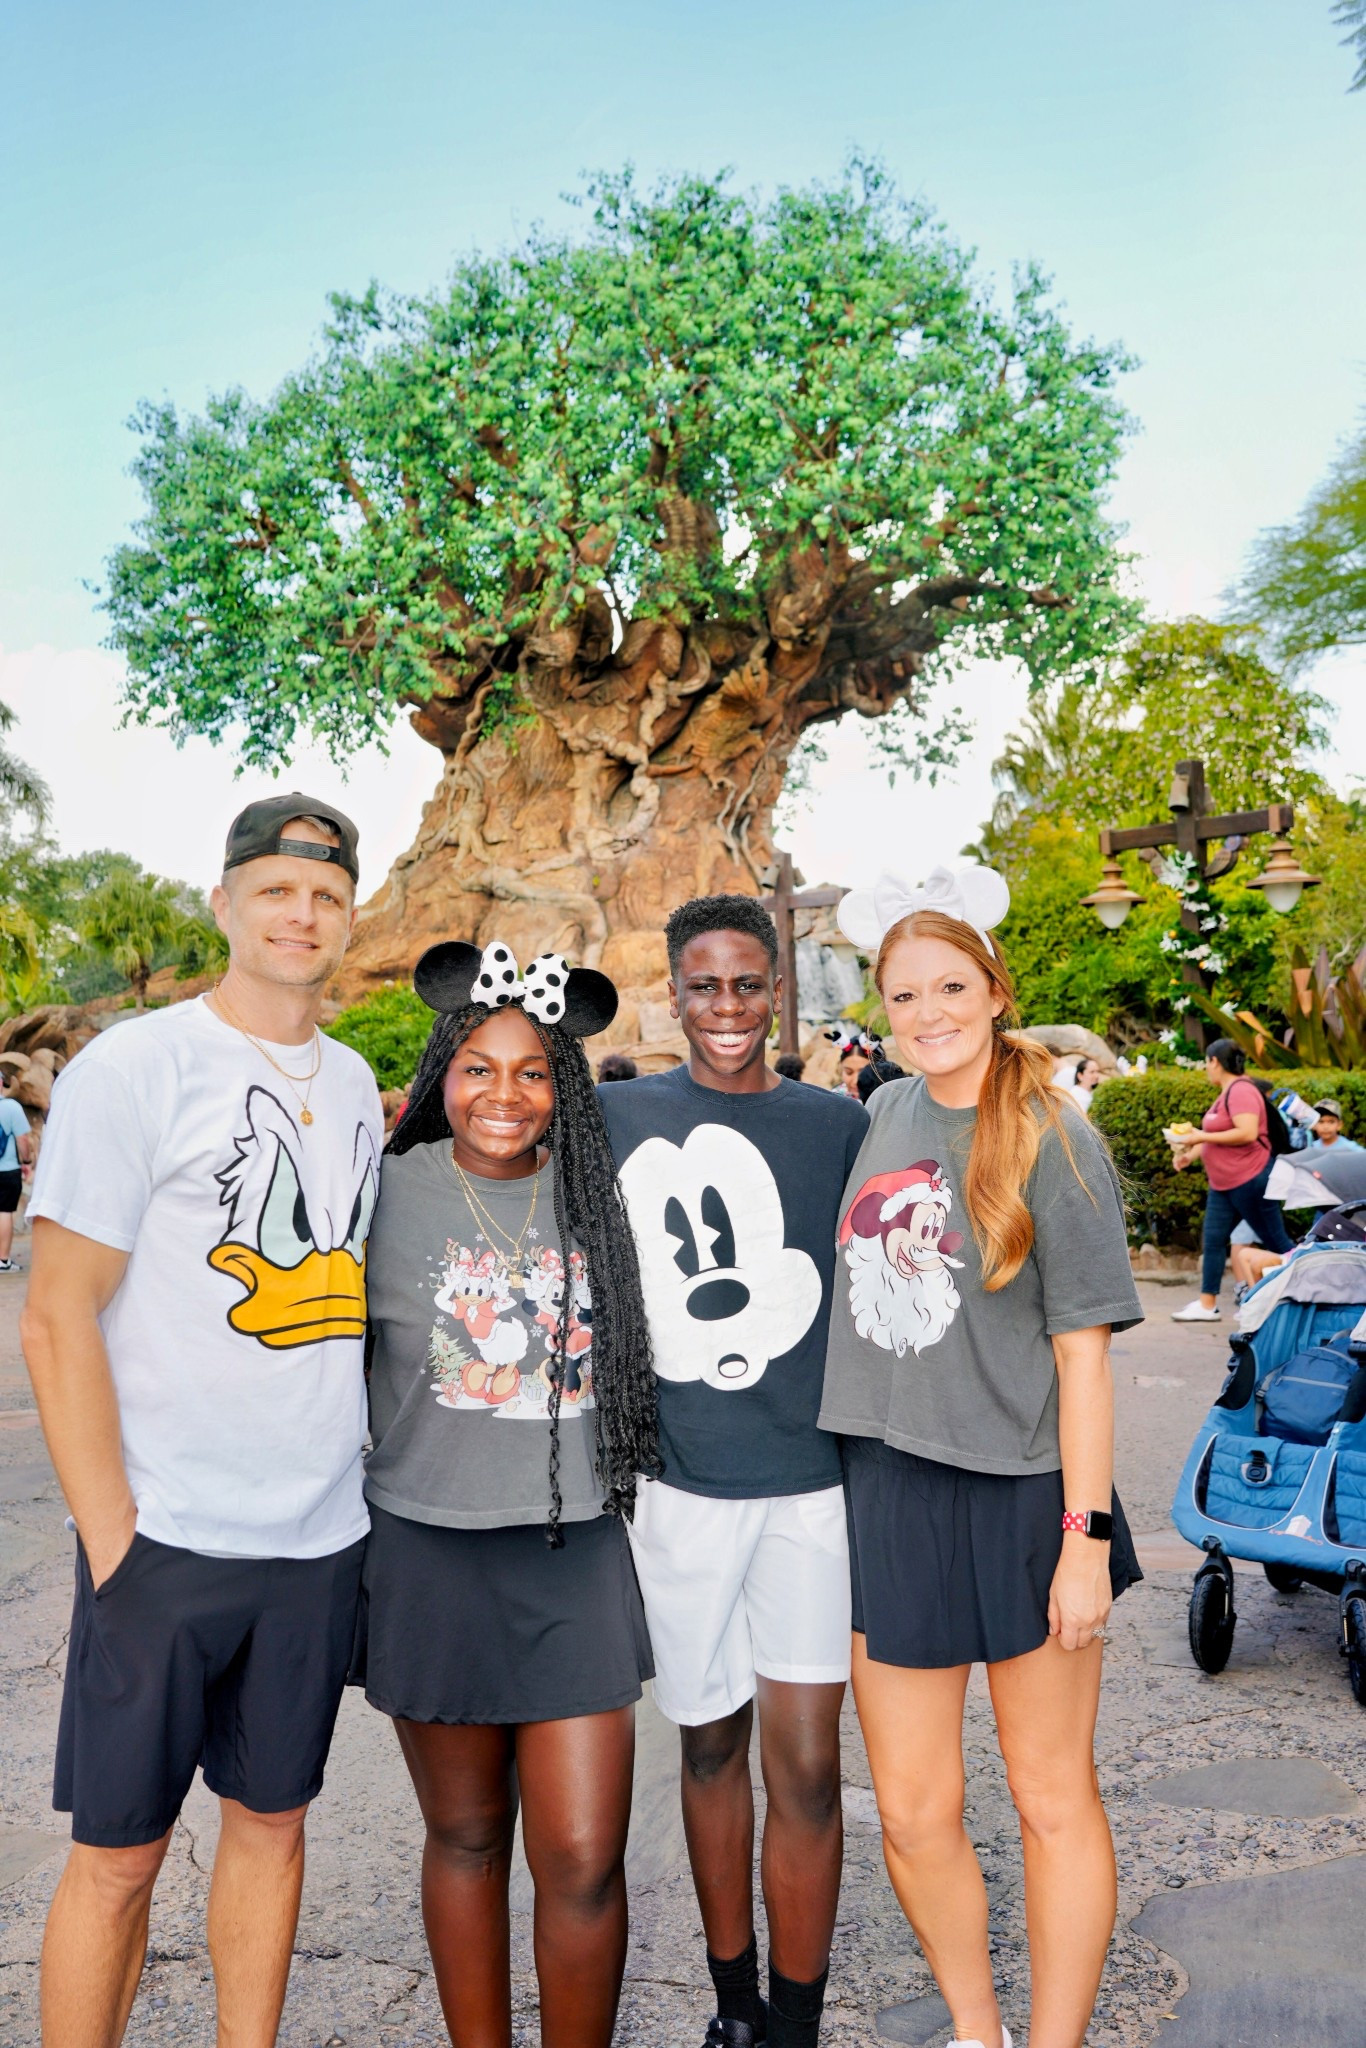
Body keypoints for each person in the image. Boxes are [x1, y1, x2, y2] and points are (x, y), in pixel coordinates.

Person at [21, 795, 383, 2048]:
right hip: (164, 1536)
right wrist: (114, 1535)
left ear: (349, 918)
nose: (302, 912)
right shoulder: (140, 1063)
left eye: (326, 895)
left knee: (274, 1824)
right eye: (277, 889)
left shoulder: (348, 1082)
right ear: (224, 902)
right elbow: (58, 1311)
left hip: (317, 1538)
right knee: (120, 1856)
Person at [820, 863, 1143, 2048]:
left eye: (949, 985)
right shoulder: (881, 1116)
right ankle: (979, 2028)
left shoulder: (1056, 1136)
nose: (927, 1013)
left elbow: (1085, 1360)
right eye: (903, 995)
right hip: (892, 1488)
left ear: (996, 988)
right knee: (911, 1808)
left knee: (1050, 1797)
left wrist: (1085, 1540)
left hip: (1025, 1499)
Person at [357, 938, 660, 2048]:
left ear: (563, 1085)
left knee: (582, 1850)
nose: (503, 1093)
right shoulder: (384, 1193)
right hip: (428, 1552)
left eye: (531, 1070)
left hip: (572, 1549)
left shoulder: (596, 1191)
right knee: (469, 1835)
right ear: (443, 1071)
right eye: (477, 1066)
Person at [598, 896, 867, 2048]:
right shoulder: (610, 1115)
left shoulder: (835, 1127)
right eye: (702, 984)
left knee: (805, 1761)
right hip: (677, 1487)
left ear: (774, 991)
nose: (725, 1007)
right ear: (671, 989)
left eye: (747, 983)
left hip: (812, 1486)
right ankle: (735, 2005)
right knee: (707, 1743)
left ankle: (796, 2024)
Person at [1169, 1038, 1293, 1323]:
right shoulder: (1226, 1092)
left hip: (1250, 1179)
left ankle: (1302, 1291)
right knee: (1212, 1241)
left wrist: (1200, 1137)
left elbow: (1247, 1132)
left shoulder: (1242, 1090)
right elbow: (1219, 1135)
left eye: (1207, 1064)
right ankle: (1207, 1304)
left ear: (1214, 1062)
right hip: (1223, 1183)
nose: (1206, 1070)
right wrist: (1192, 1154)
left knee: (1277, 1241)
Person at [0, 1067, 34, 1270]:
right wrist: (27, 1162)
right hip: (7, 1169)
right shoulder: (11, 1107)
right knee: (4, 1212)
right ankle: (3, 1260)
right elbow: (23, 1139)